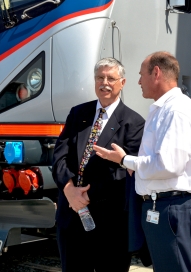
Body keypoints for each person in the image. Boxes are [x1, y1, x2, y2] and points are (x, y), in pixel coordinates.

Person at [94, 51, 191, 272]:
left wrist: (126, 160)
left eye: (141, 75)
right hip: (165, 206)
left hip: (173, 207)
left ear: (156, 73)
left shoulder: (176, 110)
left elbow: (168, 165)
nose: (138, 81)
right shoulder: (163, 109)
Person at [52, 57, 145, 272]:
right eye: (99, 78)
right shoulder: (78, 114)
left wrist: (85, 196)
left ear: (122, 83)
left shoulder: (134, 122)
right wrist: (70, 191)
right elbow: (59, 156)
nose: (104, 83)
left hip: (110, 223)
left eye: (111, 78)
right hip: (71, 216)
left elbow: (127, 172)